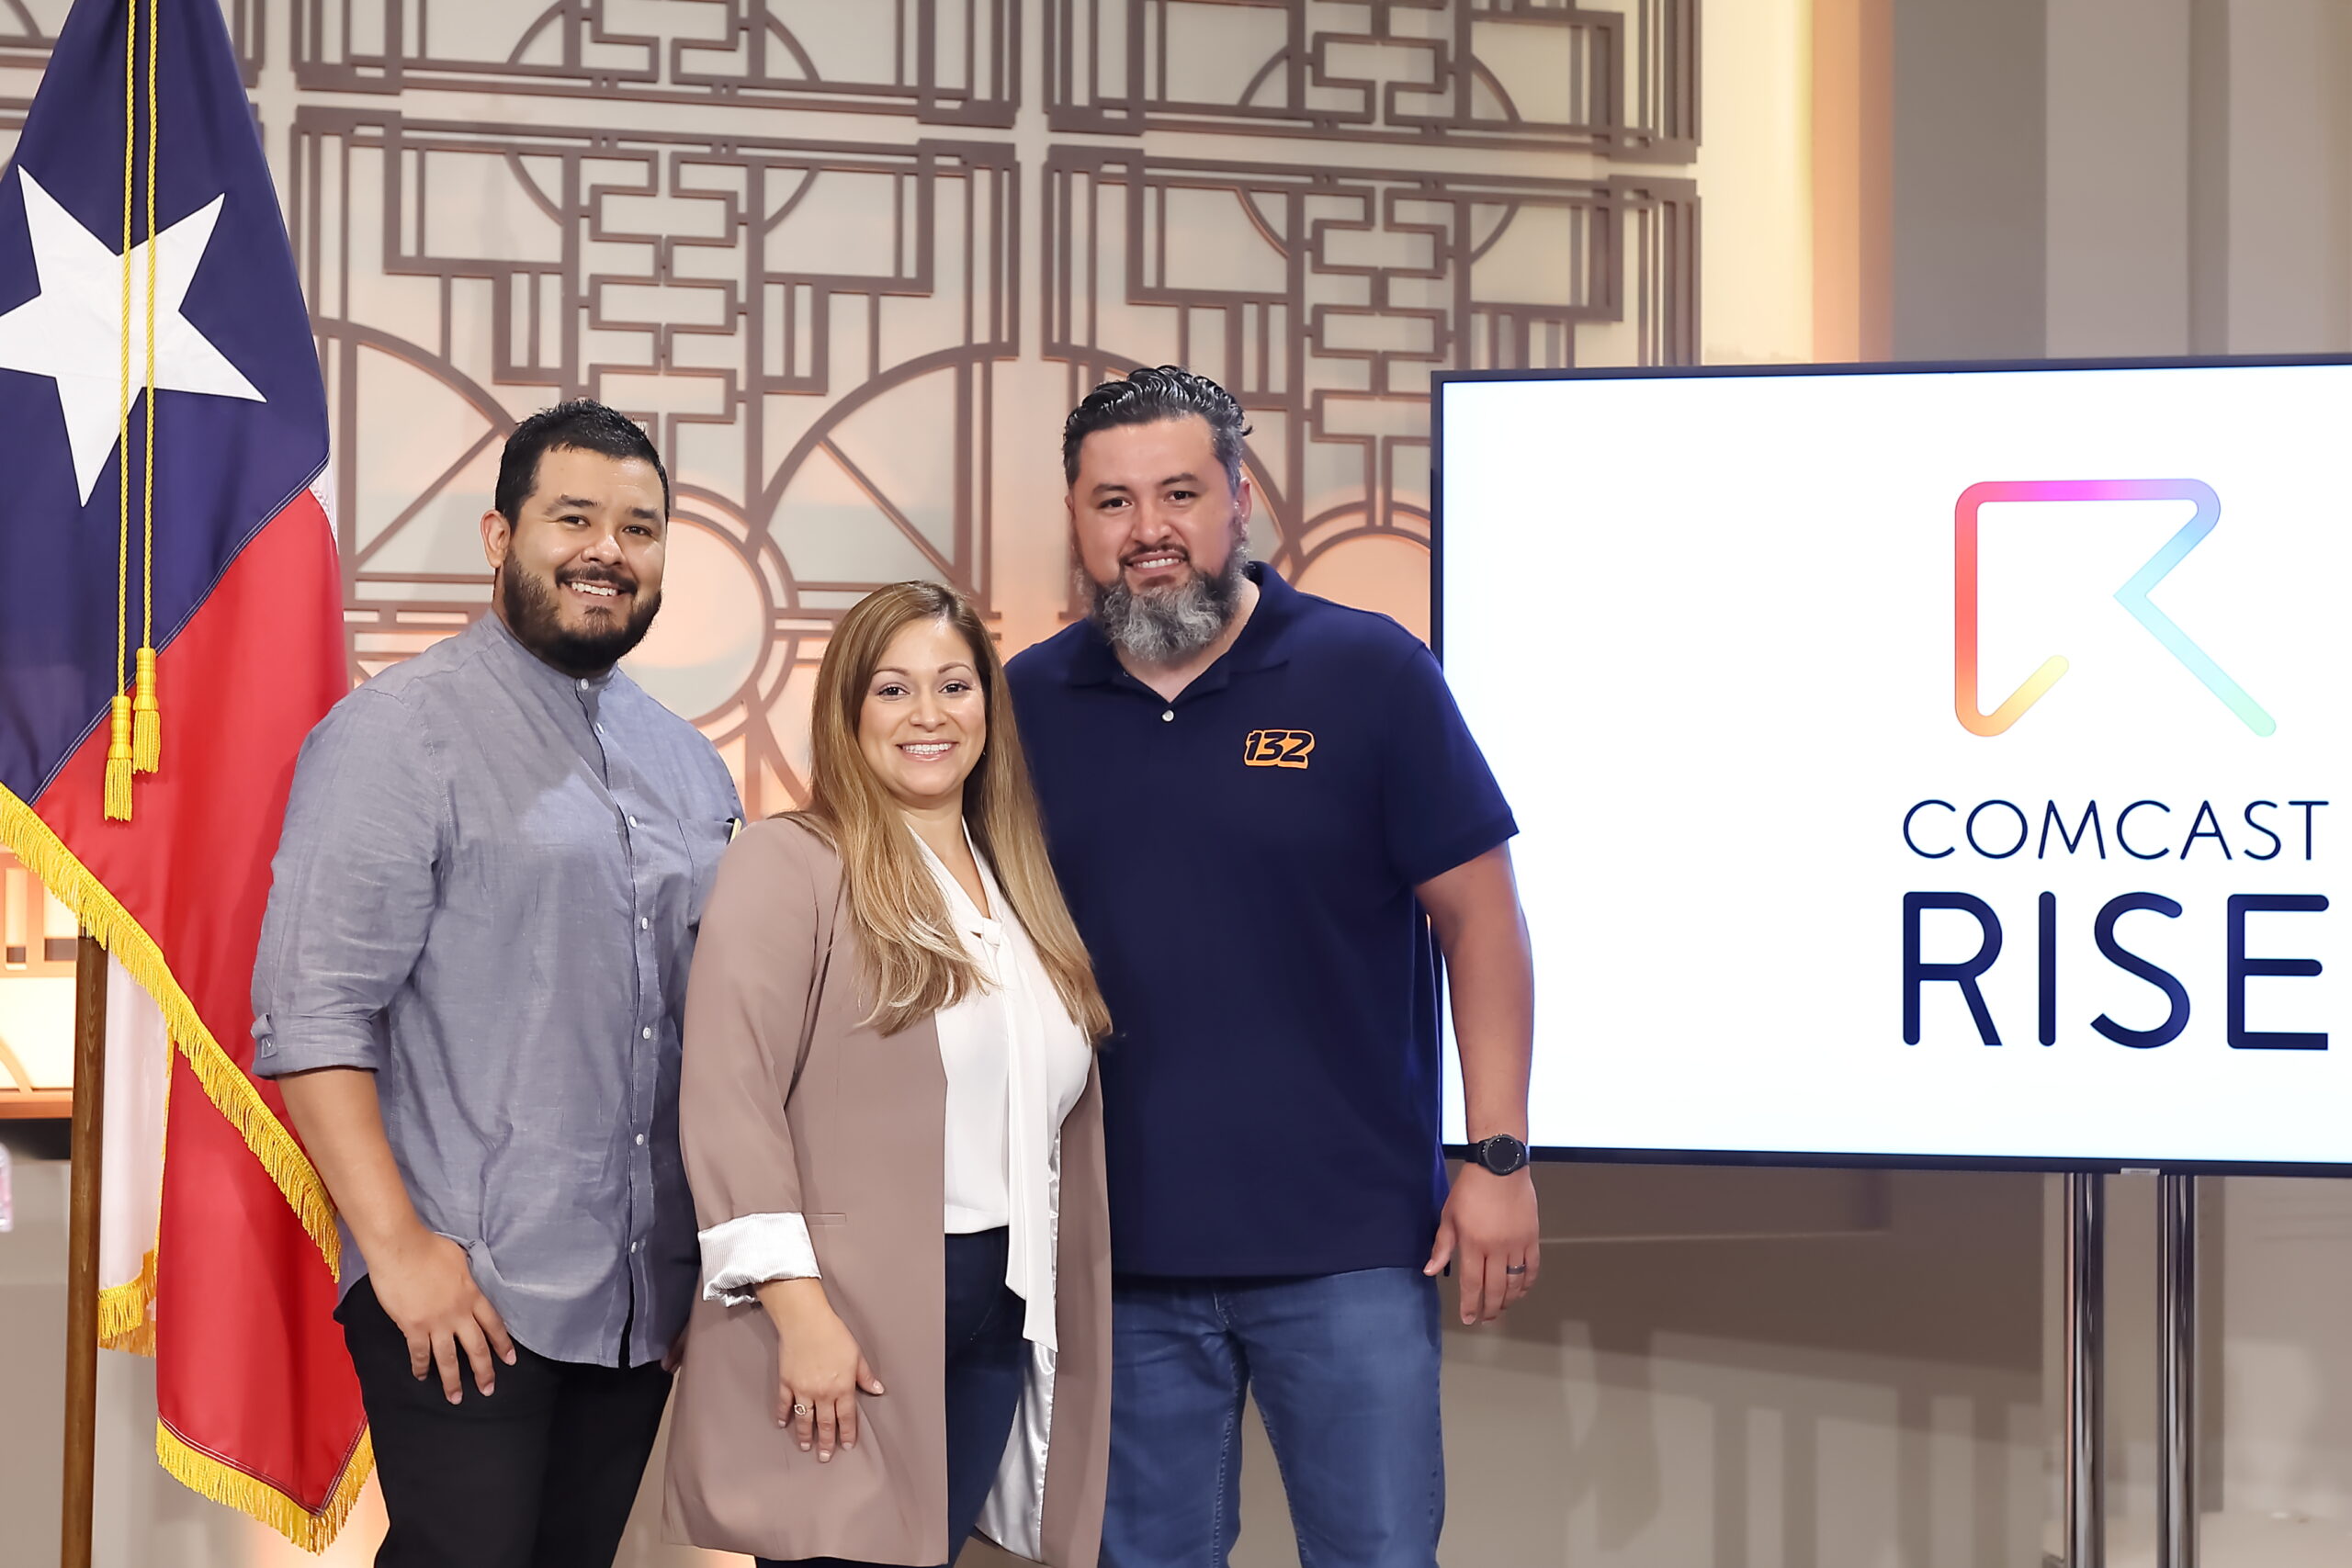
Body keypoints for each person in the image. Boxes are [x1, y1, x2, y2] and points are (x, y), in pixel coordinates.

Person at [1004, 367, 1540, 1568]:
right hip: (1118, 1249)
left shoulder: (1369, 672)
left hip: (1349, 1243)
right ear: (1079, 519)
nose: (1149, 530)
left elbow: (1482, 922)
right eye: (1113, 501)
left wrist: (1496, 1152)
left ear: (1240, 497)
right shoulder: (1027, 701)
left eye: (1181, 491)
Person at [250, 400, 742, 1568]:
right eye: (573, 516)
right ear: (497, 536)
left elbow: (714, 1027)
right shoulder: (396, 734)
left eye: (639, 527)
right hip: (468, 1291)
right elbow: (312, 1013)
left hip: (637, 1297)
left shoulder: (689, 761)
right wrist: (402, 1253)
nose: (606, 551)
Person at [663, 581, 1114, 1567]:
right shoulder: (791, 863)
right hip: (846, 1307)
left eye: (954, 685)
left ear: (987, 709)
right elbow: (728, 1098)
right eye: (892, 690)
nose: (928, 716)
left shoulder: (1016, 882)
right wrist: (797, 1308)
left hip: (999, 1296)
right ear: (848, 713)